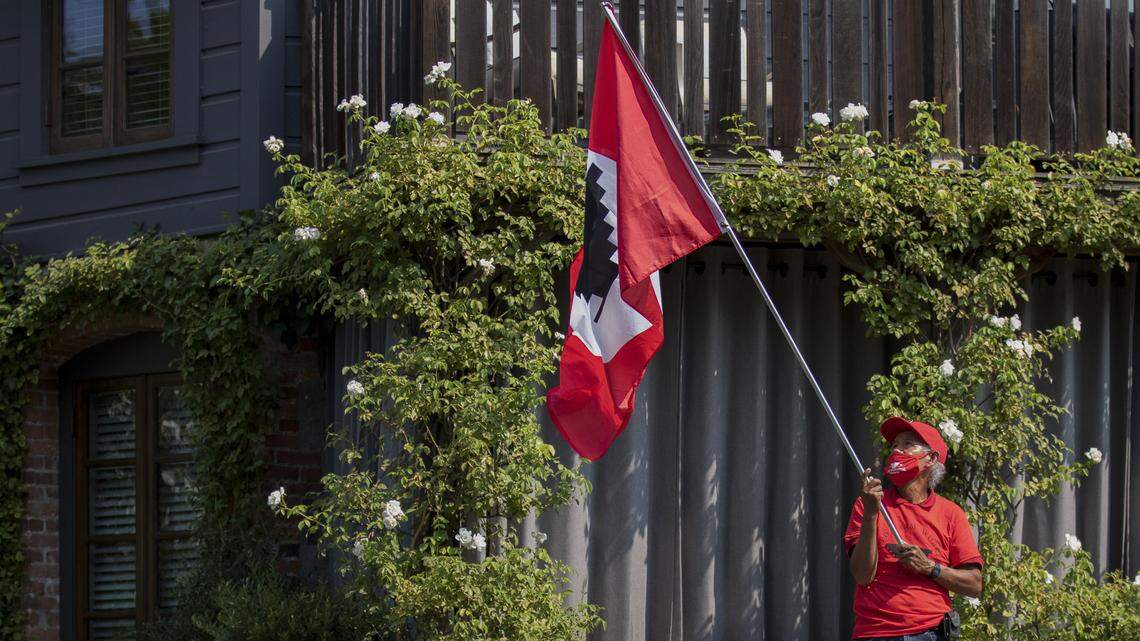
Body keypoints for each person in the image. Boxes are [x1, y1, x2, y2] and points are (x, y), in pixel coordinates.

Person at [844, 416, 984, 641]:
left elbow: (975, 584)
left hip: (930, 632)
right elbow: (861, 575)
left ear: (931, 459)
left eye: (907, 444)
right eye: (894, 445)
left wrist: (930, 567)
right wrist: (871, 515)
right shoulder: (868, 503)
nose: (896, 451)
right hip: (875, 633)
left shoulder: (951, 513)